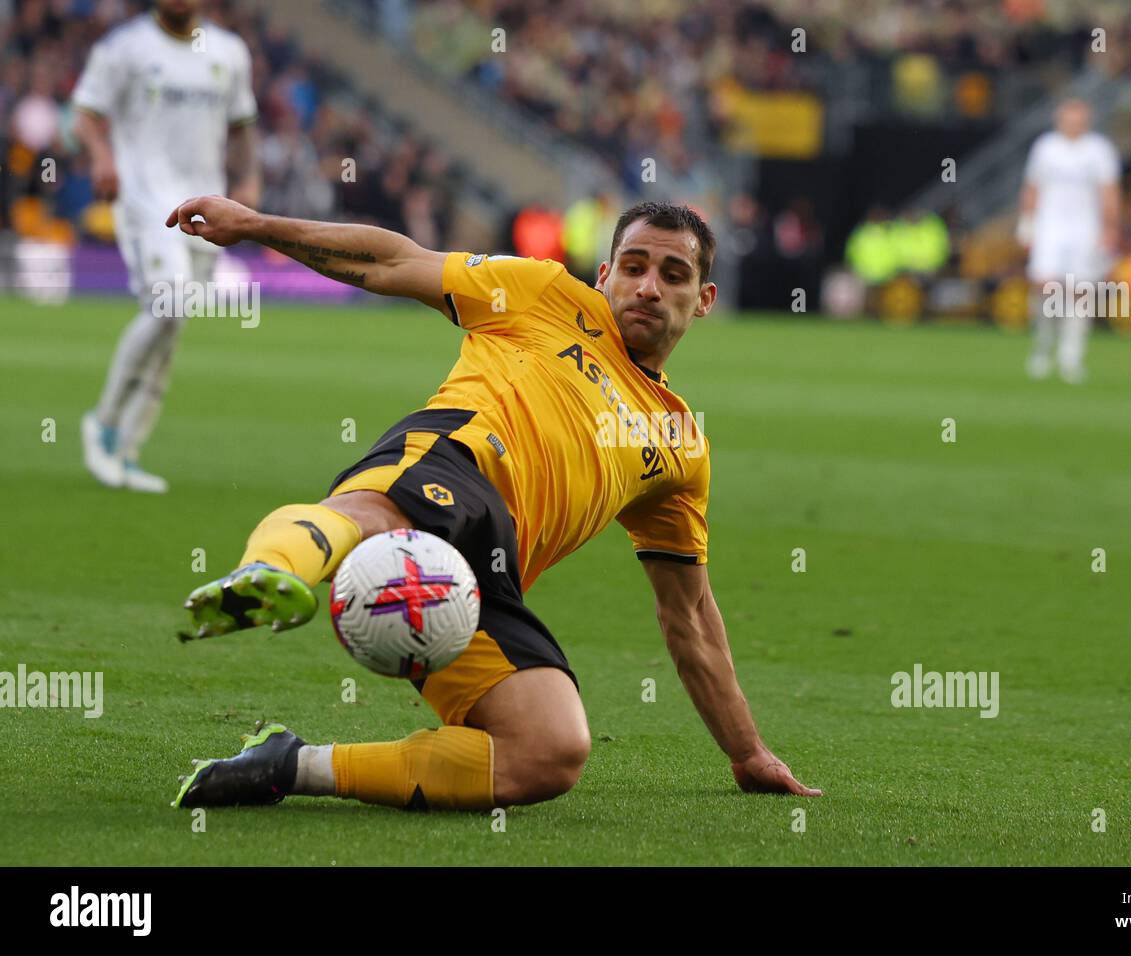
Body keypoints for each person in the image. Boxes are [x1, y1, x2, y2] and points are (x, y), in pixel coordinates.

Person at [167, 194, 822, 811]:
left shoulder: (678, 444)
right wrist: (256, 225)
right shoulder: (542, 293)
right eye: (634, 266)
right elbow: (395, 262)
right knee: (378, 516)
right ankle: (273, 572)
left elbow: (691, 614)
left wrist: (747, 751)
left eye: (673, 275)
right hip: (454, 457)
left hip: (481, 581)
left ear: (704, 298)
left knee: (549, 752)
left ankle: (290, 765)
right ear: (604, 274)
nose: (649, 287)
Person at [72, 0, 260, 492]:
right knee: (169, 306)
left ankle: (127, 449)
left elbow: (242, 125)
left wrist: (250, 179)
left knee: (172, 328)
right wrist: (101, 159)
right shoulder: (125, 48)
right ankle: (104, 422)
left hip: (208, 207)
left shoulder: (228, 52)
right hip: (146, 199)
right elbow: (86, 113)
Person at [1018, 98, 1120, 384]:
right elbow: (1032, 186)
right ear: (1059, 119)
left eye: (1079, 119)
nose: (1074, 124)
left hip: (1085, 228)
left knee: (1079, 290)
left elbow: (1109, 190)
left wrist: (1110, 227)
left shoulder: (1099, 150)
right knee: (1046, 286)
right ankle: (1043, 345)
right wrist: (1026, 221)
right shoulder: (1045, 147)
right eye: (1069, 119)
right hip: (1049, 227)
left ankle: (1071, 355)